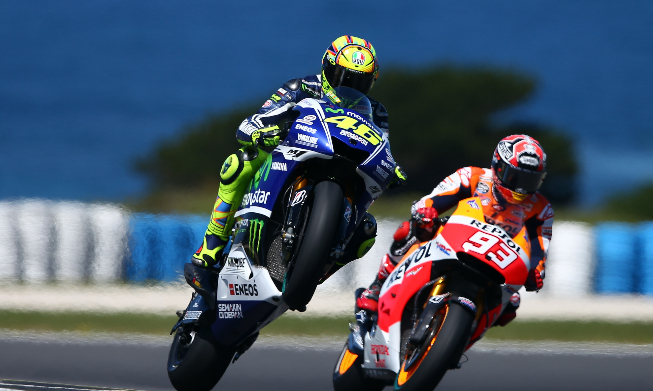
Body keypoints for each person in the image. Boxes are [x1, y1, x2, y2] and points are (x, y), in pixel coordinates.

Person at [192, 35, 395, 268]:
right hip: (293, 154)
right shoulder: (301, 88)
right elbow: (258, 118)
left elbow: (382, 147)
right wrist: (260, 130)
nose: (350, 87)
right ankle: (213, 242)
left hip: (347, 169)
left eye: (360, 82)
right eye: (343, 77)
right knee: (240, 162)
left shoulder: (377, 112)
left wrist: (392, 169)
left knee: (367, 230)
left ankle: (318, 269)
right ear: (326, 68)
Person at [355, 134, 554, 334]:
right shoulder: (473, 176)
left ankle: (462, 336)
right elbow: (432, 200)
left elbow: (539, 249)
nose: (521, 188)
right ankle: (377, 286)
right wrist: (427, 212)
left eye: (530, 181)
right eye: (515, 177)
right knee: (410, 230)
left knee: (511, 305)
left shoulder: (541, 208)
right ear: (498, 167)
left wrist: (536, 271)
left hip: (500, 261)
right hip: (458, 239)